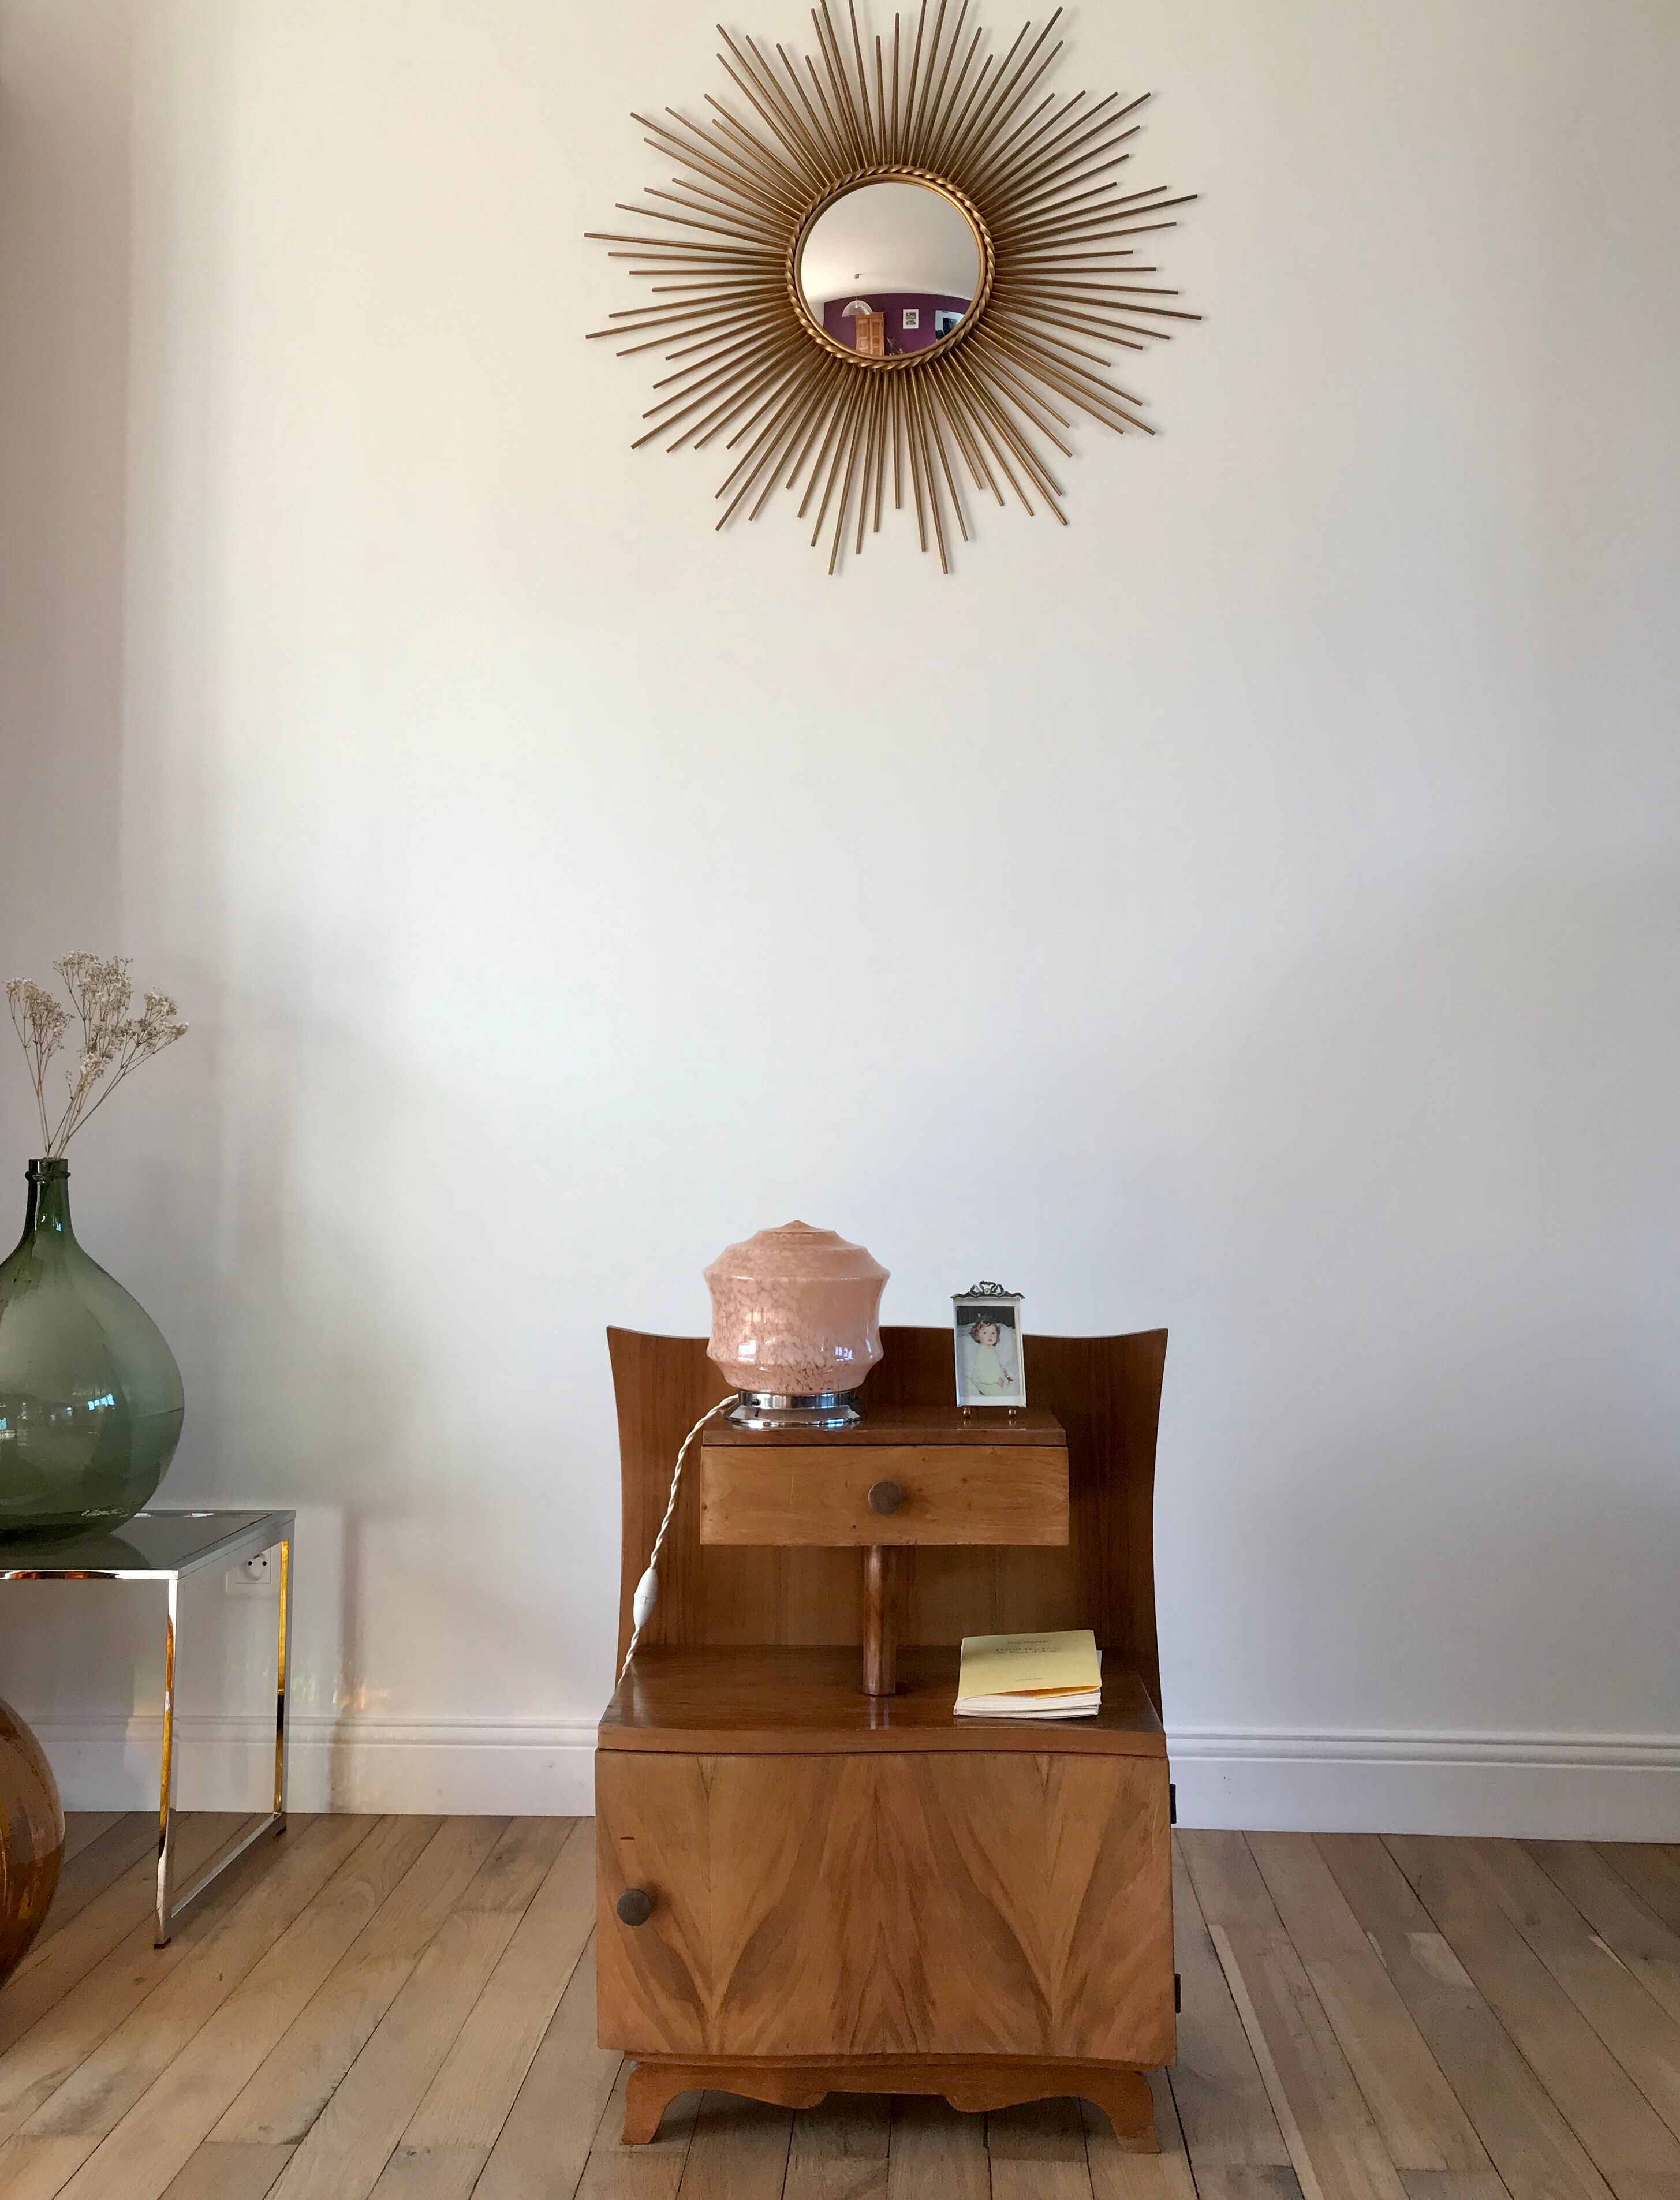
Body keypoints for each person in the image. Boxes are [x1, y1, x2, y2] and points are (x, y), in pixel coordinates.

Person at [966, 1316, 1017, 1397]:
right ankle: (982, 1390)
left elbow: (993, 1365)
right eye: (985, 1333)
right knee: (1002, 1393)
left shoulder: (991, 1348)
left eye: (993, 1333)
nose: (990, 1336)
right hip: (983, 1380)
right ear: (977, 1336)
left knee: (1006, 1384)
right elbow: (981, 1373)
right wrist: (997, 1380)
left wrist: (1001, 1370)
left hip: (990, 1377)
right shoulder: (982, 1351)